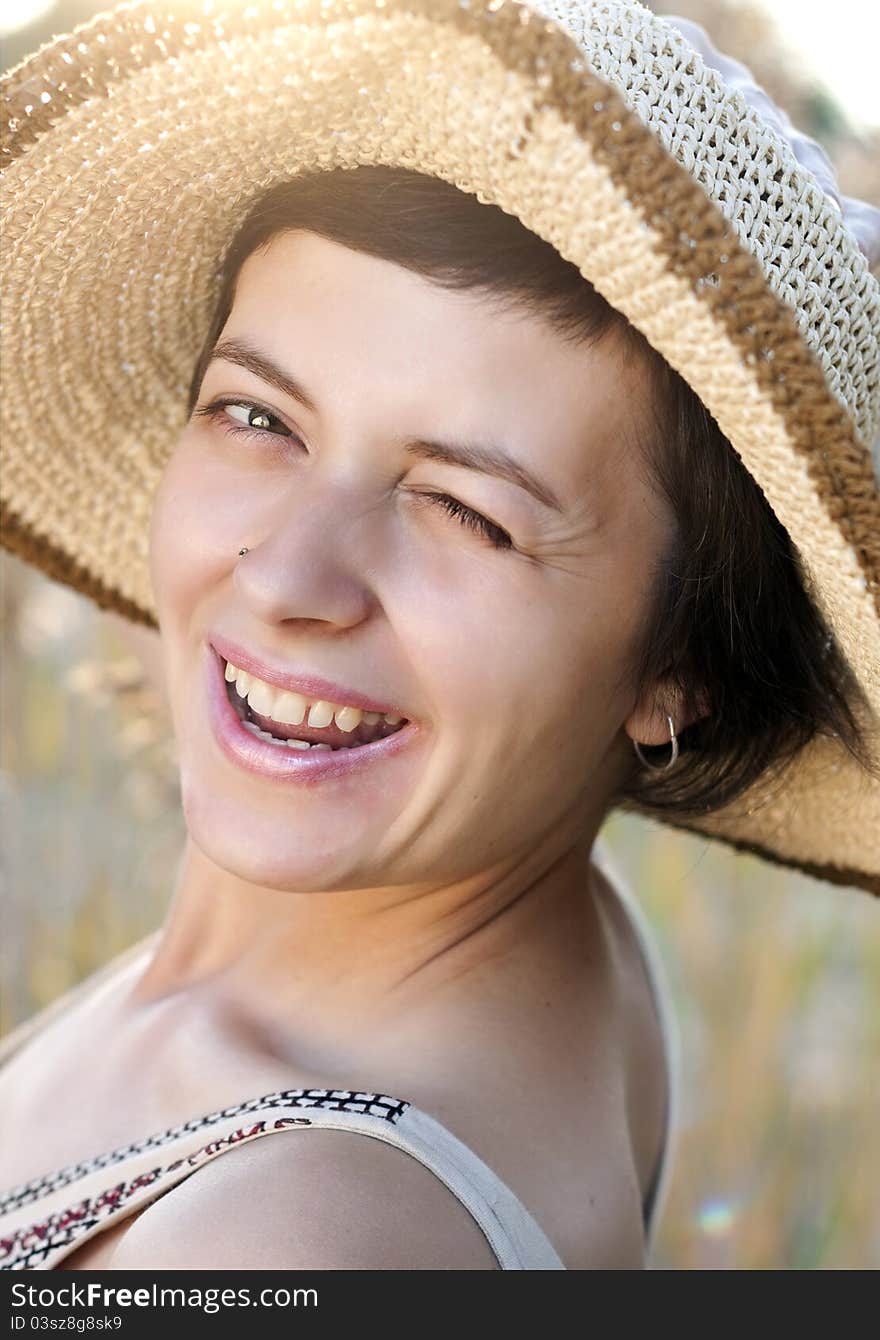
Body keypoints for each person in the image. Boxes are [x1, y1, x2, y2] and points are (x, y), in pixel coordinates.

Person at [1, 0, 878, 1272]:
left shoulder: (294, 1236)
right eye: (258, 416)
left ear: (678, 659)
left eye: (465, 507)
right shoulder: (548, 928)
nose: (290, 576)